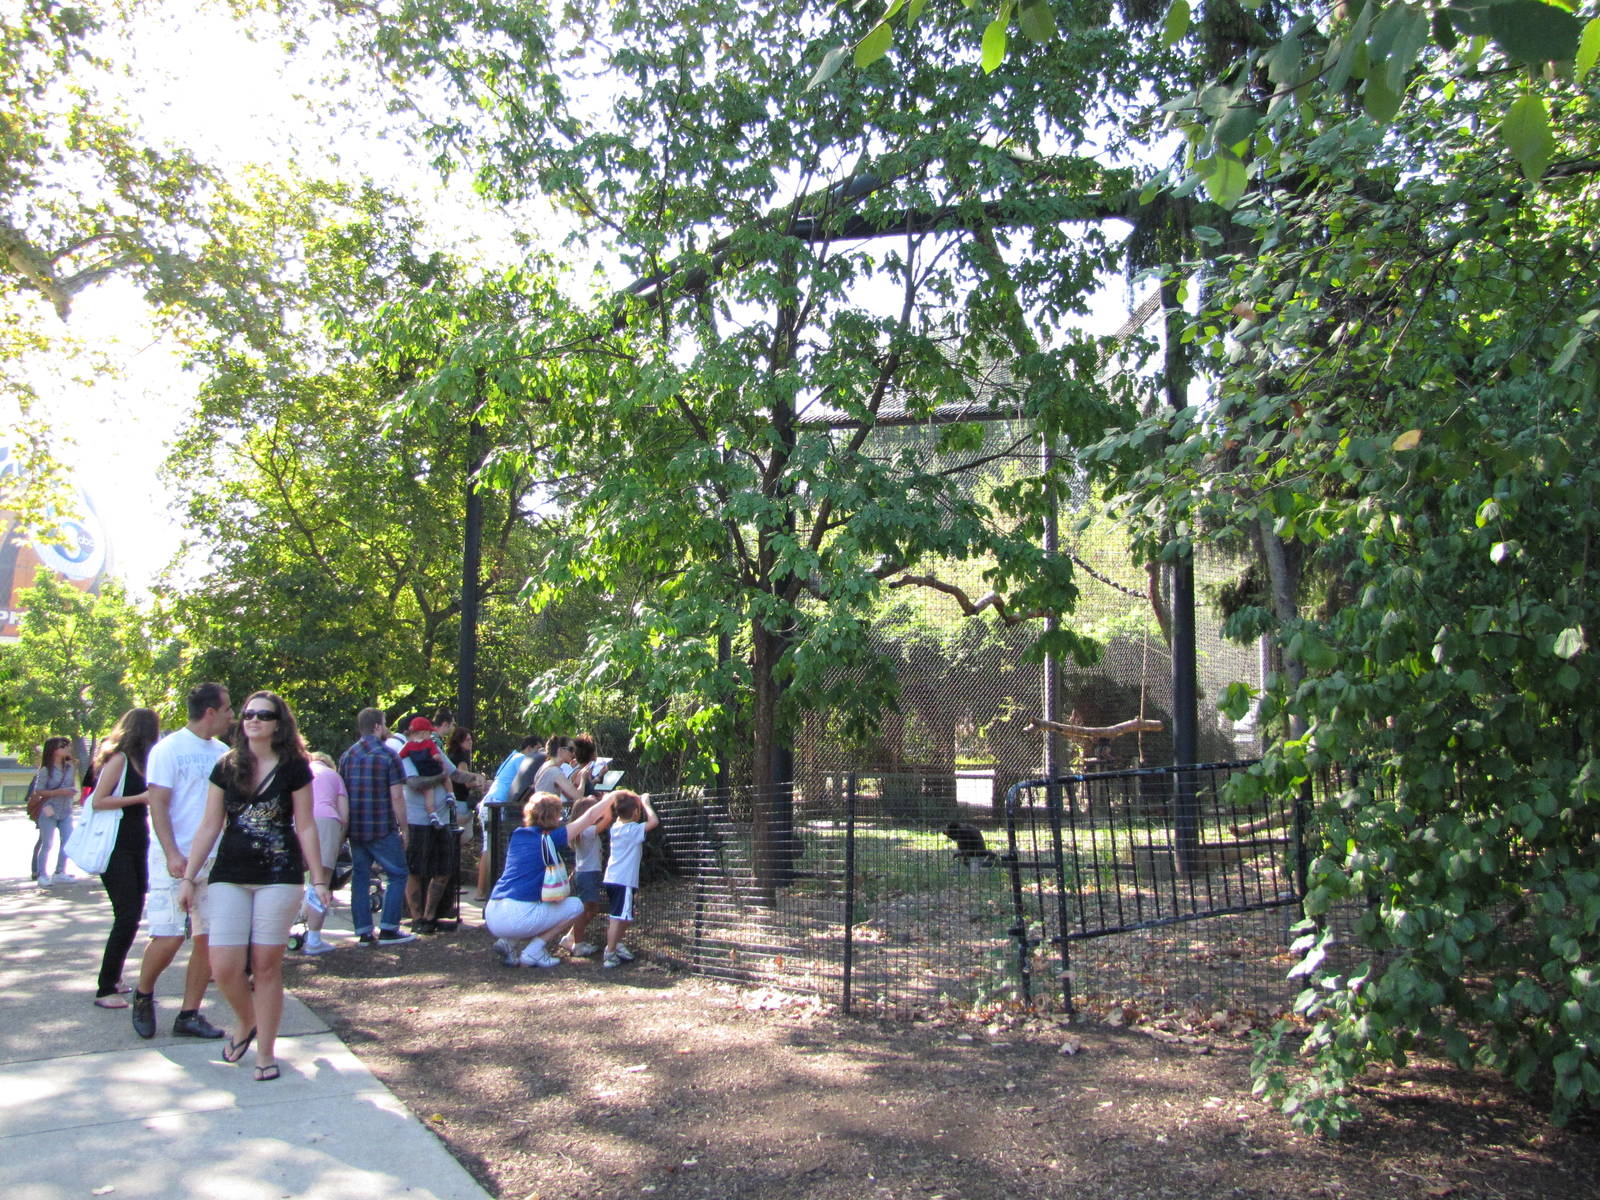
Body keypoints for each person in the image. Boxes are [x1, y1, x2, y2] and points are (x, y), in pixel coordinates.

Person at [180, 690, 329, 1083]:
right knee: (224, 966)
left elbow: (307, 824)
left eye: (263, 715)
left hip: (279, 875)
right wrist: (187, 877)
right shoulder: (226, 766)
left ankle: (266, 1051)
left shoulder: (295, 767)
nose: (253, 720)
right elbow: (210, 825)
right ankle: (246, 1020)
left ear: (279, 724)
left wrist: (319, 878)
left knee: (265, 965)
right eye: (248, 714)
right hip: (229, 873)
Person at [130, 682, 233, 1042]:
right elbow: (158, 804)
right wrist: (172, 851)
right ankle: (143, 994)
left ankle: (189, 1013)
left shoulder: (223, 752)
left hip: (213, 858)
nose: (232, 716)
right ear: (210, 712)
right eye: (228, 709)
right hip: (173, 857)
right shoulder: (168, 749)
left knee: (206, 938)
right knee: (169, 935)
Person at [484, 792, 611, 968]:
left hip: (493, 911)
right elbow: (589, 817)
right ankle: (534, 951)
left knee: (537, 908)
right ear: (553, 816)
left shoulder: (518, 834)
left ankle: (508, 943)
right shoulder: (551, 838)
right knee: (575, 906)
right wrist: (611, 799)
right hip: (517, 915)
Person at [84, 710, 158, 1008]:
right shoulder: (119, 760)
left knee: (133, 913)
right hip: (115, 848)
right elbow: (99, 800)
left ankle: (114, 978)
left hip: (137, 844)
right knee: (126, 914)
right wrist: (139, 799)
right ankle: (105, 988)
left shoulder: (143, 764)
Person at [337, 708, 418, 946]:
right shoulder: (388, 755)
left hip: (356, 828)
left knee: (360, 878)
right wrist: (405, 827)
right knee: (398, 873)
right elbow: (397, 797)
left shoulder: (347, 756)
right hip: (381, 826)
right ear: (377, 726)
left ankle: (363, 931)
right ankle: (389, 928)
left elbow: (342, 794)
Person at [399, 716, 456, 934]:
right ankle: (417, 916)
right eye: (426, 732)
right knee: (414, 869)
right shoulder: (406, 753)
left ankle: (431, 915)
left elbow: (453, 773)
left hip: (441, 821)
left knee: (443, 869)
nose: (429, 736)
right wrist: (440, 776)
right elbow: (414, 783)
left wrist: (477, 779)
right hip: (417, 820)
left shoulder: (433, 747)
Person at [474, 734, 543, 902]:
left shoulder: (512, 757)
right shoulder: (521, 759)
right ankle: (482, 892)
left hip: (492, 802)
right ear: (530, 748)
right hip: (495, 803)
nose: (539, 756)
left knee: (490, 846)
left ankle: (484, 890)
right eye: (538, 750)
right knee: (489, 848)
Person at [601, 789, 659, 969]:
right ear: (635, 812)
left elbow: (621, 814)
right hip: (623, 881)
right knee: (618, 917)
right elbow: (654, 822)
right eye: (638, 810)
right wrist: (646, 803)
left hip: (613, 879)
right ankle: (610, 953)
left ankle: (616, 944)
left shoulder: (616, 827)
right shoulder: (632, 830)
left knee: (625, 916)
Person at [301, 751, 348, 955]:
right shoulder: (335, 777)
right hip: (326, 821)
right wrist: (339, 839)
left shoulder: (301, 771)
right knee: (321, 881)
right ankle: (313, 939)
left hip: (299, 820)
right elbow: (344, 815)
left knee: (292, 878)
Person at [559, 792, 613, 958]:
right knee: (586, 909)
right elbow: (607, 820)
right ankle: (578, 944)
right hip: (588, 874)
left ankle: (571, 937)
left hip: (587, 873)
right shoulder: (587, 831)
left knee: (592, 908)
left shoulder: (582, 831)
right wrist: (607, 802)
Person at [30, 737, 79, 885]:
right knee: (47, 843)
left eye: (67, 746)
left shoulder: (70, 768)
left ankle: (60, 871)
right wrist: (59, 792)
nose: (66, 749)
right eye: (62, 746)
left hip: (66, 809)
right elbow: (38, 791)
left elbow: (71, 785)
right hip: (49, 809)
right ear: (53, 750)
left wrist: (70, 791)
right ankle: (42, 874)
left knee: (67, 840)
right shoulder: (46, 770)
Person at [530, 735, 585, 812]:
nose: (573, 753)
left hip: (541, 814)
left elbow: (568, 794)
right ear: (560, 750)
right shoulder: (555, 772)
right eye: (571, 749)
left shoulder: (545, 766)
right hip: (547, 818)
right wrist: (583, 778)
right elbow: (578, 796)